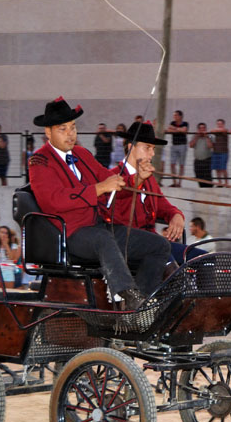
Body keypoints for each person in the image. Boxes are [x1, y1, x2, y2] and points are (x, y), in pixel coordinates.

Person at [28, 97, 171, 308]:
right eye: (63, 129)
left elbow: (108, 181)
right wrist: (98, 189)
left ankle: (144, 302)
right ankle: (125, 294)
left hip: (99, 227)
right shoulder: (39, 161)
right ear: (48, 132)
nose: (70, 133)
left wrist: (137, 179)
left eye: (73, 127)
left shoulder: (82, 154)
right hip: (72, 233)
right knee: (103, 238)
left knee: (159, 245)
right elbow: (53, 201)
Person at [112, 120, 189, 265]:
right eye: (147, 147)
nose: (152, 154)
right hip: (129, 245)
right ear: (130, 147)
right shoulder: (112, 176)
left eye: (153, 148)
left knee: (202, 258)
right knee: (165, 255)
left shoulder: (150, 180)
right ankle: (178, 285)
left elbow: (164, 206)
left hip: (154, 243)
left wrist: (176, 215)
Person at [166, 110, 189, 187]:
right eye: (174, 115)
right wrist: (179, 130)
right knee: (172, 164)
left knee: (181, 164)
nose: (174, 117)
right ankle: (174, 182)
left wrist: (174, 129)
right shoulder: (172, 123)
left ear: (180, 116)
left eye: (176, 115)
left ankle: (180, 182)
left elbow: (184, 130)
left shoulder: (185, 123)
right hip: (174, 145)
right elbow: (169, 130)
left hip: (182, 145)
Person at [189, 122, 214, 188]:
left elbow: (210, 146)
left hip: (207, 160)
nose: (202, 130)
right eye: (200, 128)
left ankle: (209, 188)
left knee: (207, 176)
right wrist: (197, 137)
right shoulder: (194, 136)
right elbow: (191, 145)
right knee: (198, 176)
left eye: (203, 128)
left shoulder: (210, 135)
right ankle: (201, 187)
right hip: (197, 160)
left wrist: (207, 137)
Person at [209, 118, 229, 184]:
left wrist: (214, 130)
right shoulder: (213, 133)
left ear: (223, 124)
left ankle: (226, 183)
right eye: (218, 124)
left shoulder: (225, 131)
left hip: (223, 152)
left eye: (221, 124)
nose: (219, 125)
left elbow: (223, 130)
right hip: (215, 152)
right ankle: (220, 182)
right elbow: (211, 140)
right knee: (217, 168)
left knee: (223, 168)